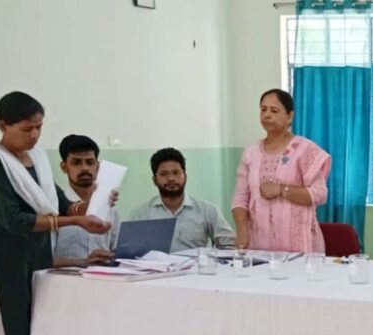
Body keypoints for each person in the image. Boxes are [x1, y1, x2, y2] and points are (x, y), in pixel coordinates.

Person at [0, 91, 111, 335]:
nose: (34, 135)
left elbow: (59, 204)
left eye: (39, 127)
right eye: (26, 128)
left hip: (38, 263)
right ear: (2, 125)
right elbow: (15, 220)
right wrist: (75, 220)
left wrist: (92, 204)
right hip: (6, 266)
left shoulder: (39, 161)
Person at [232, 89, 330, 253]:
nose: (267, 115)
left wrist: (281, 190)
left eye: (274, 111)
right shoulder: (250, 152)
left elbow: (320, 194)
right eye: (263, 110)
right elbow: (240, 197)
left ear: (290, 116)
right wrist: (241, 228)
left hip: (300, 247)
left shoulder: (305, 149)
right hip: (259, 246)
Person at [130, 147, 235, 252]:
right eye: (164, 174)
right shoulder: (140, 214)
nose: (171, 178)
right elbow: (128, 251)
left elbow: (230, 245)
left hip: (195, 262)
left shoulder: (207, 210)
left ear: (185, 176)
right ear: (154, 180)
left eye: (176, 173)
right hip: (154, 263)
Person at [53, 134, 119, 267]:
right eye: (76, 162)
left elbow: (117, 251)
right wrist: (82, 262)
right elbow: (41, 259)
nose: (85, 168)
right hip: (63, 278)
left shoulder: (110, 207)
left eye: (90, 162)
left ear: (97, 166)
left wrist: (110, 257)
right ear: (64, 167)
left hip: (104, 277)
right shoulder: (54, 206)